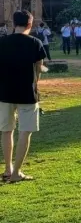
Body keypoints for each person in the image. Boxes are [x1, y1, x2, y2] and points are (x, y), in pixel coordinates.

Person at [0, 10, 47, 183]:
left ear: (13, 23)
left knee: (6, 131)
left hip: (4, 93)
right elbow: (39, 69)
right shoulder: (35, 43)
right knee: (25, 132)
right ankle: (16, 172)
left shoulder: (2, 42)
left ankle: (7, 168)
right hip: (27, 93)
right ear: (30, 24)